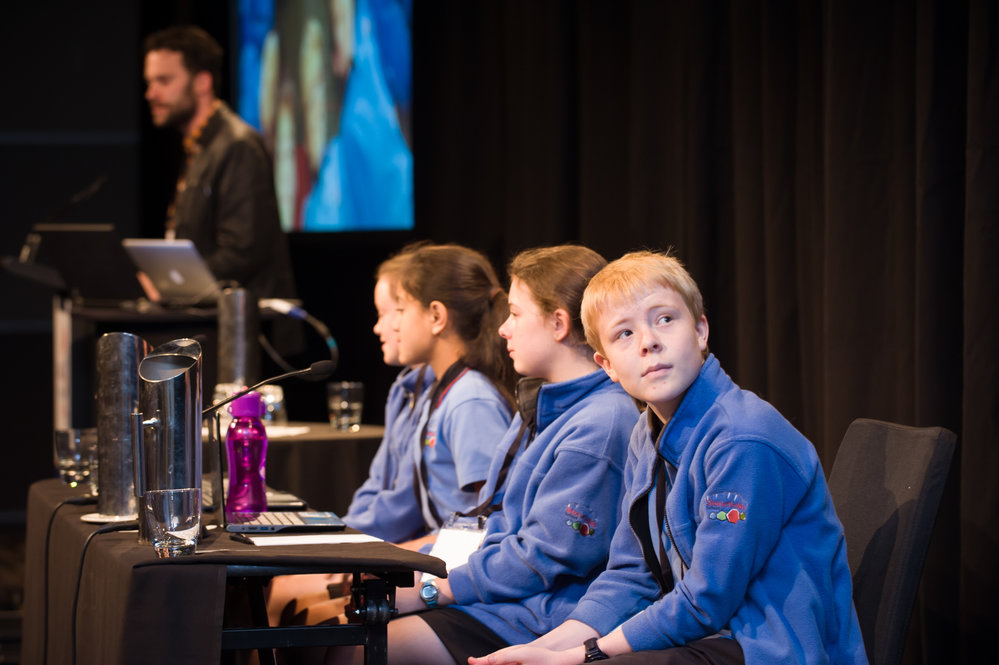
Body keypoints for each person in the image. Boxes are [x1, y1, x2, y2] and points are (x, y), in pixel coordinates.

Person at [471, 250, 867, 665]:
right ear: (607, 366)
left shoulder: (743, 438)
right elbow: (631, 576)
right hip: (710, 637)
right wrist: (546, 649)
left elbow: (706, 599)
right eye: (624, 333)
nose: (648, 342)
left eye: (664, 319)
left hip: (768, 649)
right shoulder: (646, 434)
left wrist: (585, 654)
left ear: (700, 331)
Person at [309, 245, 639, 665]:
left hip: (534, 616)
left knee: (343, 648)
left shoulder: (600, 422)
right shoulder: (543, 405)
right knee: (319, 630)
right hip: (498, 595)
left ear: (558, 324)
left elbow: (540, 560)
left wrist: (434, 589)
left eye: (515, 314)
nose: (503, 328)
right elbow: (489, 523)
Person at [266, 246, 434, 626]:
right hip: (401, 552)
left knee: (300, 605)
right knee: (277, 589)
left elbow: (455, 521)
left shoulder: (468, 400)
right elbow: (378, 485)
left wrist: (352, 547)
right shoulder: (407, 389)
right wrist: (343, 537)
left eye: (391, 312)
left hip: (428, 563)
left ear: (434, 316)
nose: (379, 327)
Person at [143, 25, 296, 301]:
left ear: (202, 82)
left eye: (163, 81)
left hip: (246, 322)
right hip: (217, 316)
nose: (151, 94)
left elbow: (243, 251)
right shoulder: (200, 145)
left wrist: (171, 282)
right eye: (149, 82)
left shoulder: (237, 144)